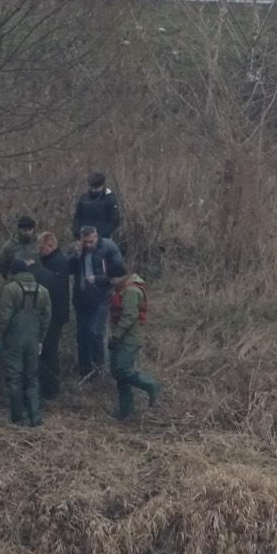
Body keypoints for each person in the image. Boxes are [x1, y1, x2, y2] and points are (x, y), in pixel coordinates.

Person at [0, 257, 50, 426]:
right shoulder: (43, 290)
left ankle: (18, 417)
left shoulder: (10, 289)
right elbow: (47, 318)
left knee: (15, 377)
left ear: (13, 273)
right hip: (33, 339)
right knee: (32, 377)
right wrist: (40, 339)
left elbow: (3, 317)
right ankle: (35, 416)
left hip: (14, 340)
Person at [72, 224, 124, 378]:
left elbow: (118, 271)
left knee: (94, 333)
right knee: (82, 336)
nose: (88, 245)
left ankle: (101, 366)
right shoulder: (78, 249)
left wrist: (98, 279)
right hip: (81, 297)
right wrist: (74, 254)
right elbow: (67, 267)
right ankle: (86, 371)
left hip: (102, 297)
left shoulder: (108, 247)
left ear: (96, 237)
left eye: (91, 242)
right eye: (85, 242)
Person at [108, 272, 161, 422]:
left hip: (128, 340)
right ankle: (125, 412)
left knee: (121, 370)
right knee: (120, 376)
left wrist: (116, 336)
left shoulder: (131, 291)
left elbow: (129, 316)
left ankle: (151, 385)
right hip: (125, 339)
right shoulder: (128, 290)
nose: (112, 281)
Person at [32, 231, 72, 400]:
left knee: (49, 351)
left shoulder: (58, 263)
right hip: (53, 313)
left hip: (54, 314)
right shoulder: (50, 262)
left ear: (50, 245)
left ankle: (51, 388)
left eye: (41, 247)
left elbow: (56, 292)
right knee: (47, 351)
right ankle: (48, 386)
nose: (39, 250)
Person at [72, 171, 121, 242]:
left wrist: (101, 236)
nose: (94, 190)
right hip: (83, 238)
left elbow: (114, 220)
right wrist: (76, 233)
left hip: (102, 239)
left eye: (97, 187)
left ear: (102, 185)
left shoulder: (110, 199)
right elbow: (77, 217)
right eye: (92, 186)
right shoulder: (84, 198)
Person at [0, 214, 40, 279]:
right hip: (17, 282)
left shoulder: (39, 243)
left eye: (30, 229)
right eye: (25, 230)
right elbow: (2, 265)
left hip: (39, 282)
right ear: (19, 230)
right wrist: (10, 278)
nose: (28, 232)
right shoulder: (10, 246)